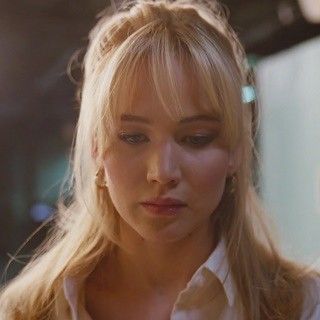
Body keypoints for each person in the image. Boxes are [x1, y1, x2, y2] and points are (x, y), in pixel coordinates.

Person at [1, 0, 319, 319]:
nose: (162, 172)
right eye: (133, 137)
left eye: (196, 138)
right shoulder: (26, 311)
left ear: (235, 150)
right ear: (96, 147)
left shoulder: (304, 306)